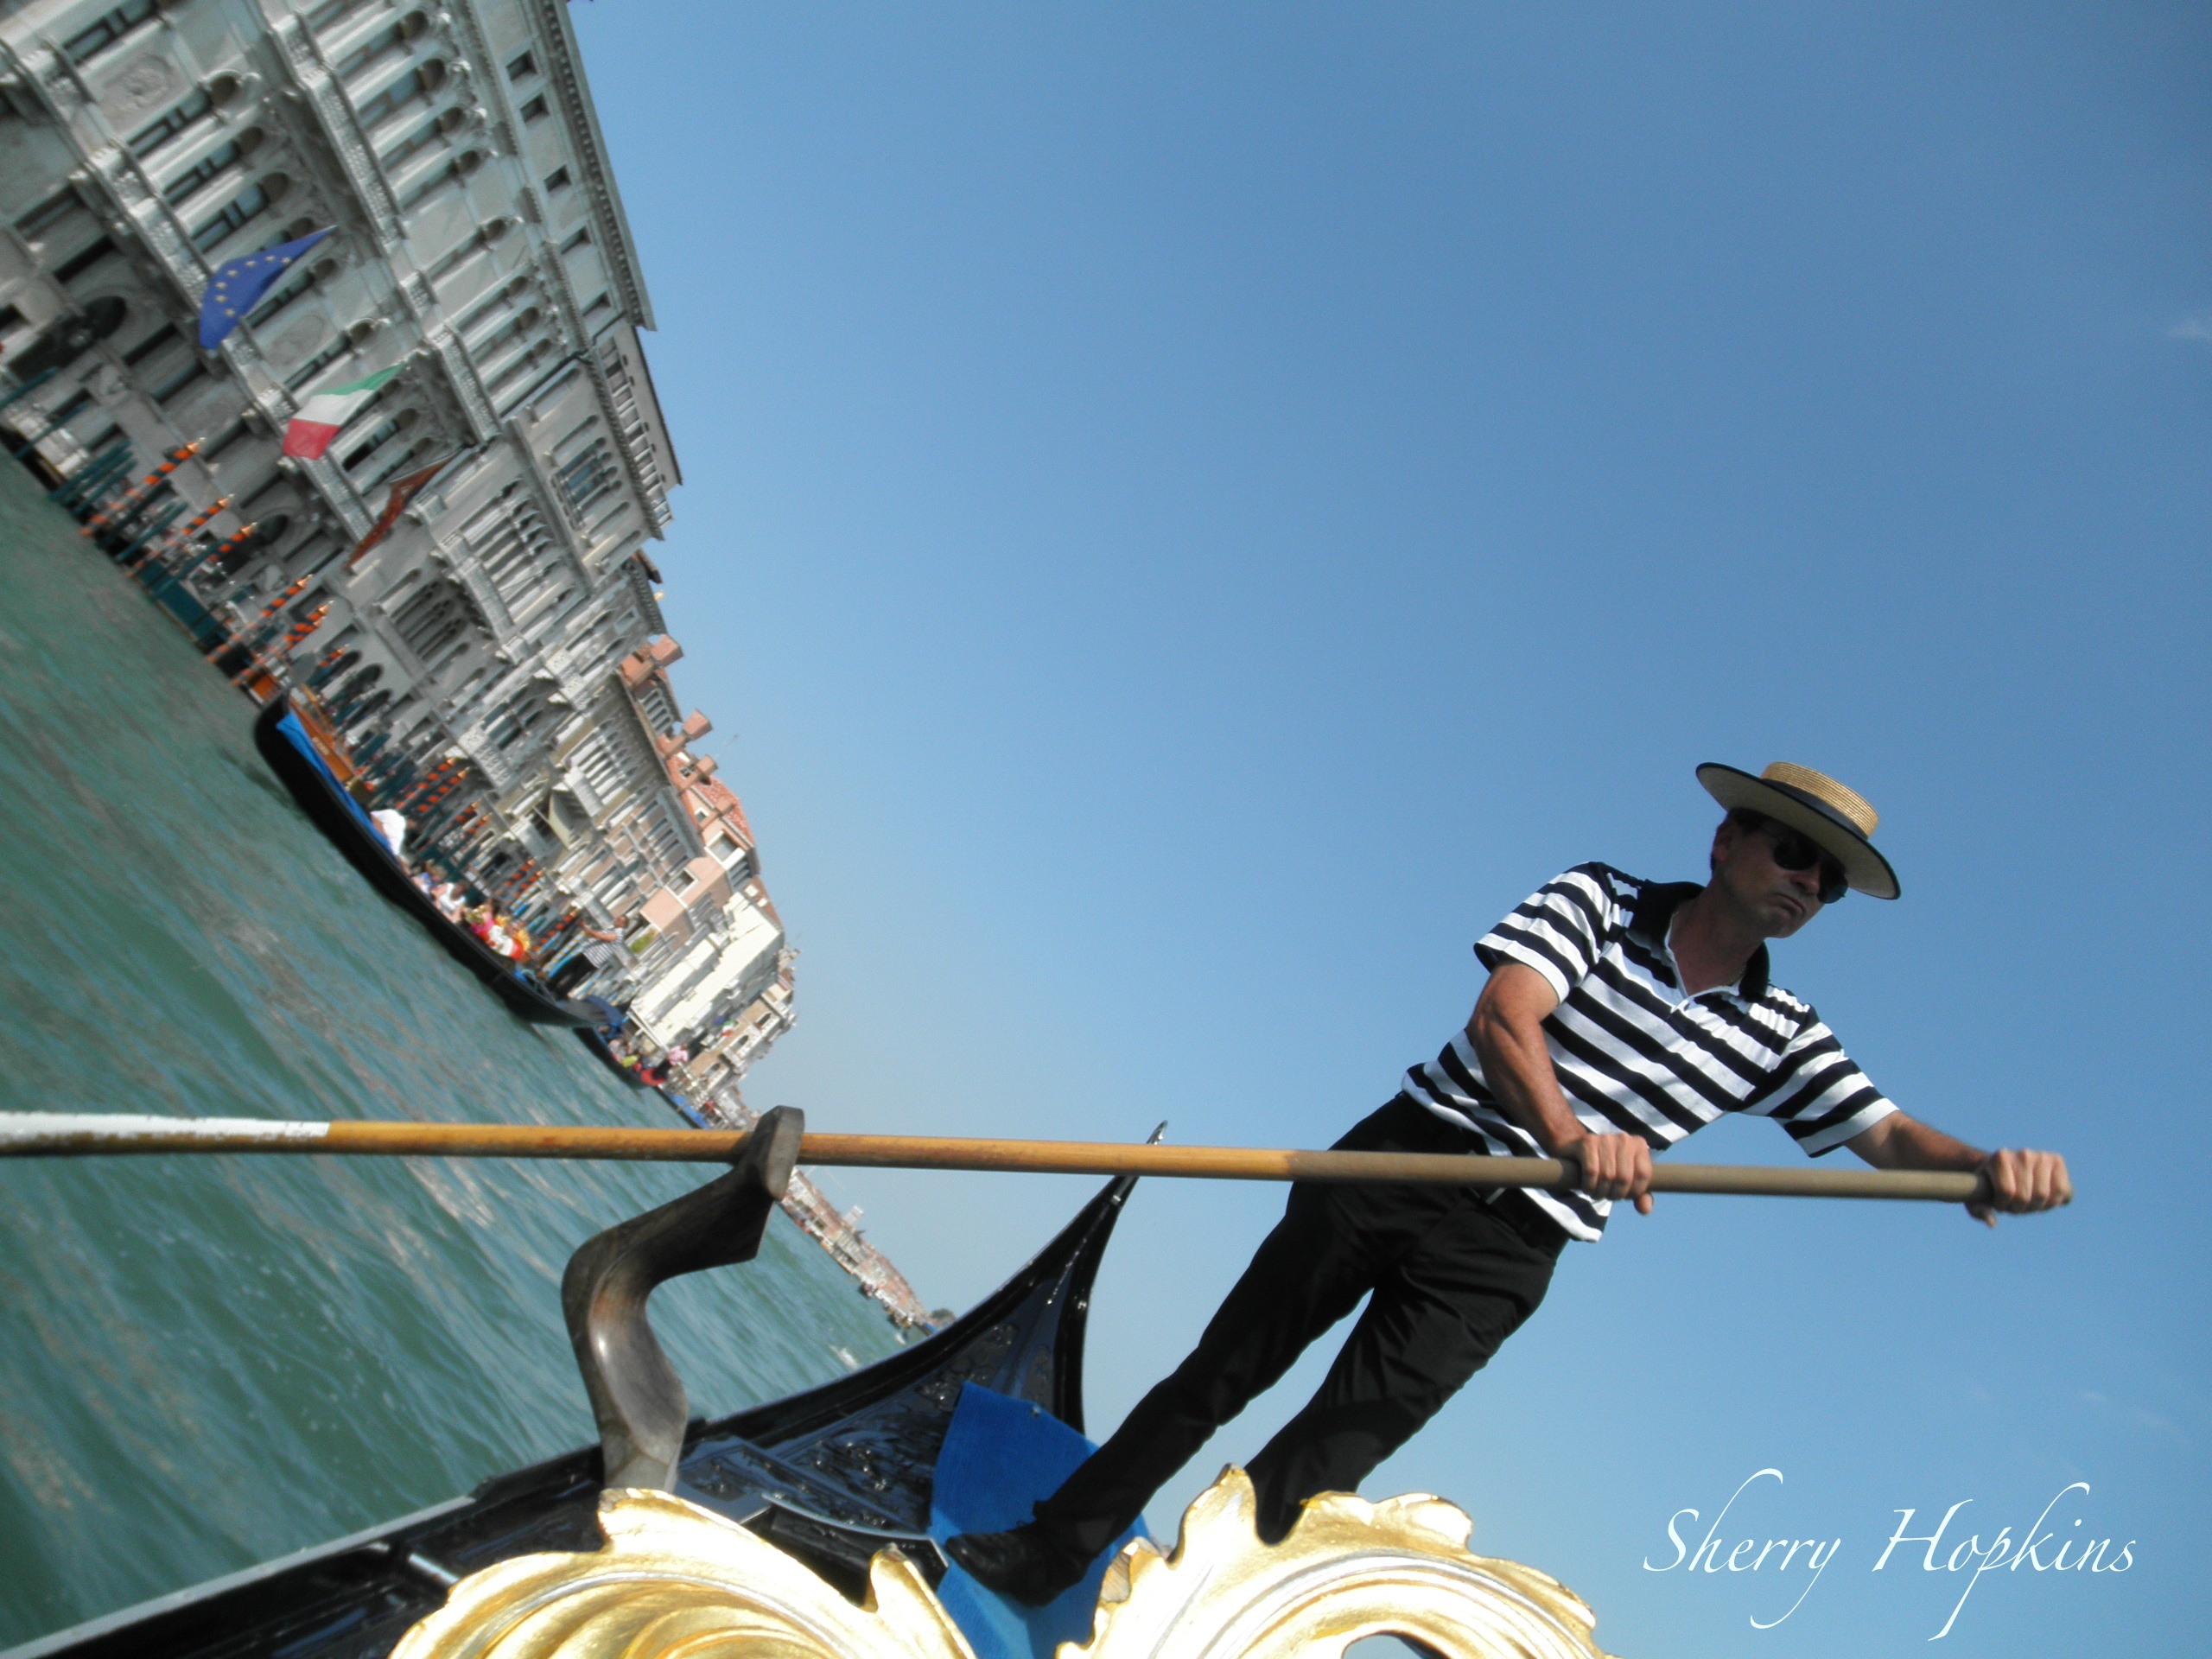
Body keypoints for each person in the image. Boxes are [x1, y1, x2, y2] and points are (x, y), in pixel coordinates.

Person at [947, 761, 2071, 1605]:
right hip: (1408, 1158)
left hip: (1509, 1253)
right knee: (1225, 1369)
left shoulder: (1780, 1030)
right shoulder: (1600, 897)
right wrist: (1574, 1134)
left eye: (1827, 881)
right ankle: (1053, 1550)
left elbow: (1886, 1134)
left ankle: (1187, 1617)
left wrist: (1983, 1169)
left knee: (1329, 1458)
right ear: (1729, 839)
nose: (1808, 884)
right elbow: (1504, 1017)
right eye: (1794, 853)